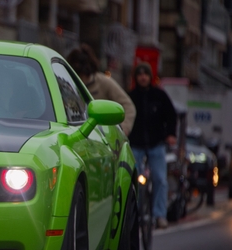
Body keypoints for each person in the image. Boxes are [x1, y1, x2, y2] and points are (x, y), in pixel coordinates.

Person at [128, 62, 177, 229]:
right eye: (140, 74)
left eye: (146, 74)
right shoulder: (131, 97)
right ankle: (134, 213)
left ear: (150, 77)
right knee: (133, 179)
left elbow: (171, 116)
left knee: (160, 179)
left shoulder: (160, 96)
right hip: (135, 144)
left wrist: (170, 134)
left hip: (156, 144)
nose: (143, 77)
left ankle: (159, 215)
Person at [66, 44, 136, 135]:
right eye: (77, 75)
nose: (80, 80)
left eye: (82, 75)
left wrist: (122, 129)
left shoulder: (104, 82)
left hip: (101, 137)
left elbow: (128, 106)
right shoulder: (66, 84)